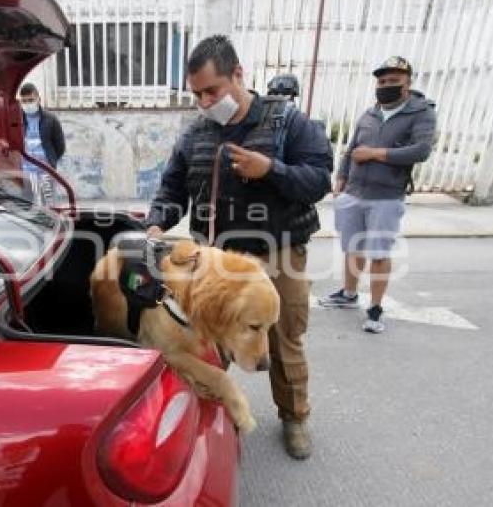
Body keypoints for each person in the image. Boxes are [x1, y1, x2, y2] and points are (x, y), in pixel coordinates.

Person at [144, 35, 333, 460]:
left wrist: (271, 169)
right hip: (217, 260)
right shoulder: (196, 134)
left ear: (239, 75)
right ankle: (216, 421)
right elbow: (172, 187)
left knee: (283, 340)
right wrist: (156, 224)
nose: (206, 102)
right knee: (207, 339)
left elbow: (320, 179)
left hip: (278, 252)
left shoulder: (287, 122)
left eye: (213, 90)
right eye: (197, 94)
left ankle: (294, 415)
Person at [319, 56, 436, 334]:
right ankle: (348, 294)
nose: (386, 86)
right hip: (354, 193)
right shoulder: (370, 114)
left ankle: (375, 307)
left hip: (386, 197)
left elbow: (421, 151)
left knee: (379, 253)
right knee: (352, 248)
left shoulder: (421, 113)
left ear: (407, 84)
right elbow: (352, 147)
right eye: (382, 81)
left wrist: (376, 154)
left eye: (393, 81)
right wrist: (341, 179)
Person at [19, 83, 66, 204]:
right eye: (24, 101)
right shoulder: (17, 119)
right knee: (27, 205)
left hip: (46, 170)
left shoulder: (51, 119)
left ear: (38, 99)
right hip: (26, 171)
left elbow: (60, 146)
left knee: (49, 205)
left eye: (31, 100)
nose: (27, 104)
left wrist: (51, 161)